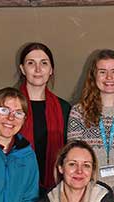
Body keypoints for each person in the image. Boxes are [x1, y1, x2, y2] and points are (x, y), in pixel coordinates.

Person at [67, 49, 114, 201]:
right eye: (102, 72)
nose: (109, 77)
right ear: (94, 76)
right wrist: (91, 195)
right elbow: (74, 158)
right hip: (87, 196)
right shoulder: (78, 112)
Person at [17, 42, 72, 191]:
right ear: (22, 69)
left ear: (51, 70)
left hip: (54, 187)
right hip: (15, 186)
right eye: (31, 63)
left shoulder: (64, 108)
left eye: (44, 63)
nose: (38, 69)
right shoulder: (10, 105)